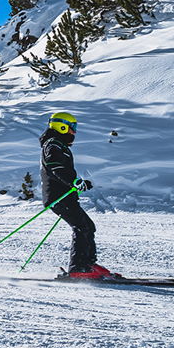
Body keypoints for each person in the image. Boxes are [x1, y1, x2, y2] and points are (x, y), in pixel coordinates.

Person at [39, 112, 111, 279]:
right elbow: (57, 168)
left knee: (88, 226)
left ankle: (88, 264)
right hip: (57, 197)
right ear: (62, 127)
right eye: (73, 128)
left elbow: (61, 169)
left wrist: (77, 183)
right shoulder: (52, 145)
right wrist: (75, 181)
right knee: (81, 227)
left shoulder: (59, 145)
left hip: (65, 196)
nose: (74, 132)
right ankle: (78, 268)